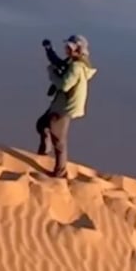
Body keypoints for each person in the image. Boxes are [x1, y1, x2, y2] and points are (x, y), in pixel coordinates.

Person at [35, 34, 98, 178]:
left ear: (78, 49)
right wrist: (48, 50)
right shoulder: (72, 62)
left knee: (59, 140)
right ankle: (45, 150)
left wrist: (51, 73)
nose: (66, 49)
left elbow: (64, 85)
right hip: (59, 104)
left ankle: (60, 172)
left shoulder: (76, 67)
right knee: (42, 124)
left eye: (69, 47)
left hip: (64, 108)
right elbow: (57, 62)